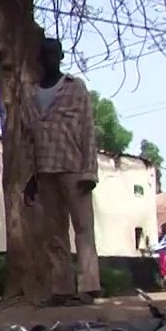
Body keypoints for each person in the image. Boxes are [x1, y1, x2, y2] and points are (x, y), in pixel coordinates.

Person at [23, 36, 101, 306]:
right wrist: (31, 177)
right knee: (54, 234)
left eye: (53, 53)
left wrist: (90, 171)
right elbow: (29, 138)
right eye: (44, 54)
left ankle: (89, 287)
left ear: (61, 56)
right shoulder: (31, 93)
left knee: (83, 228)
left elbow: (87, 129)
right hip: (45, 169)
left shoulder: (75, 87)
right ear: (38, 59)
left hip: (74, 168)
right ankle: (61, 289)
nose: (49, 58)